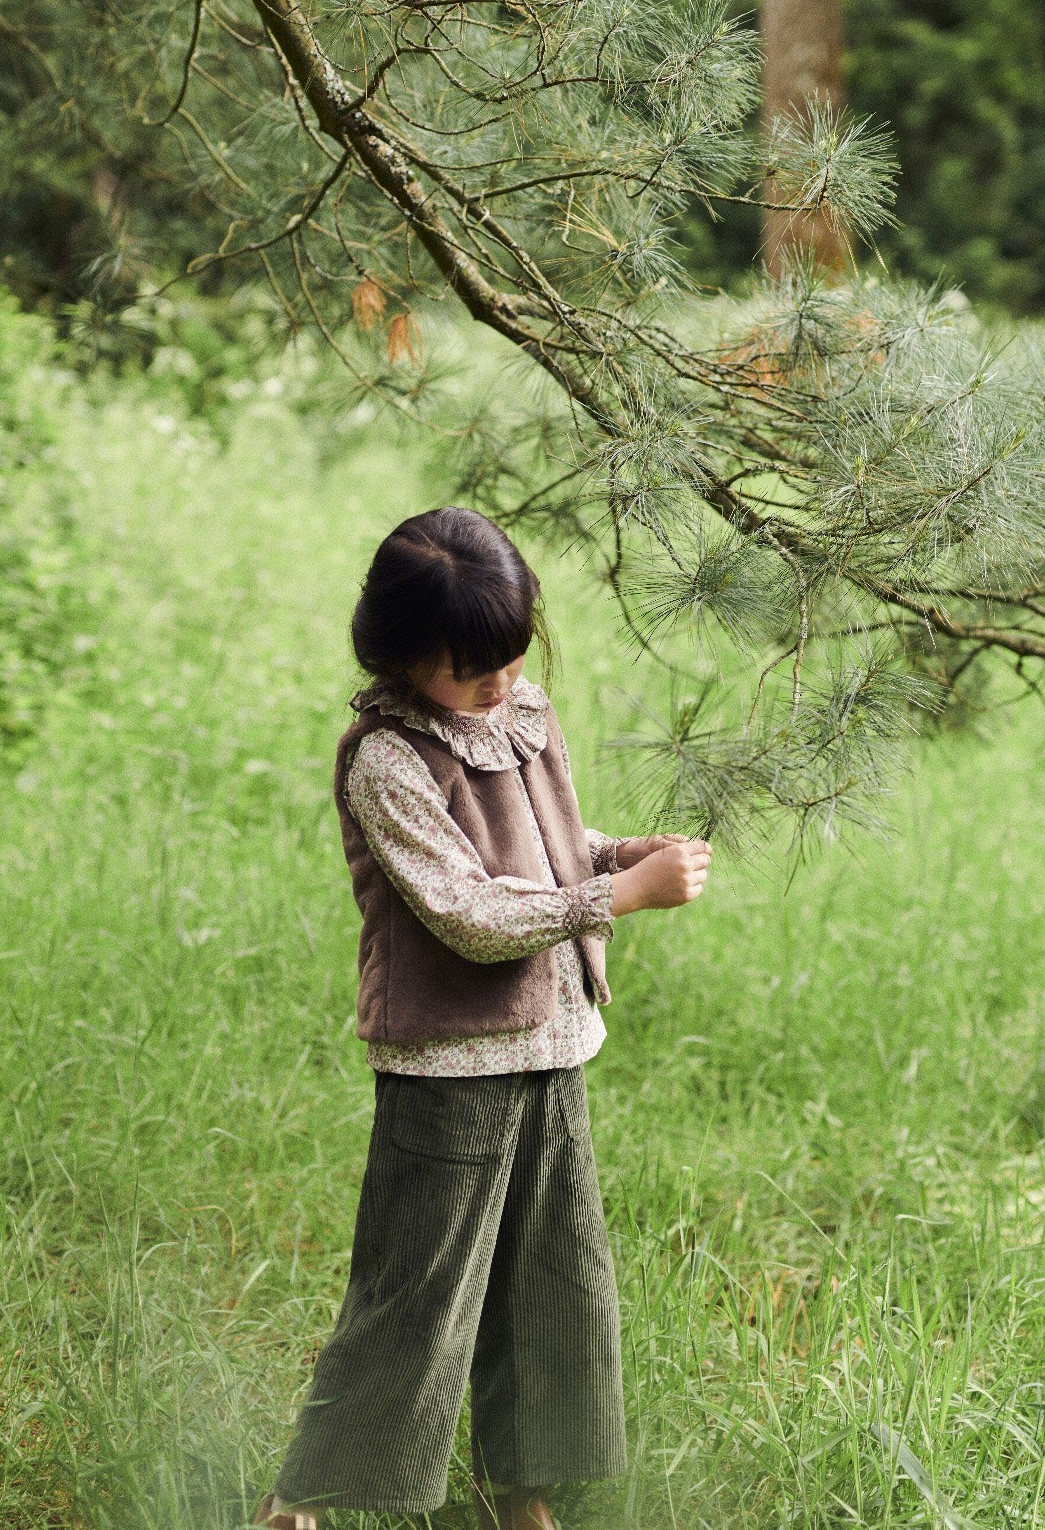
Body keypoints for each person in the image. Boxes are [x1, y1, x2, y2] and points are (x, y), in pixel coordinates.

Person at [256, 507, 711, 1530]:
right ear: (403, 656)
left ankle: (520, 1492)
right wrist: (622, 897)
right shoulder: (388, 762)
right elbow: (467, 911)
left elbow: (547, 843)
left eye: (509, 657)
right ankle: (299, 1501)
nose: (498, 685)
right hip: (447, 1063)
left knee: (551, 1278)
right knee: (416, 1294)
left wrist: (619, 852)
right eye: (471, 671)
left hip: (551, 1041)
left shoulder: (526, 714)